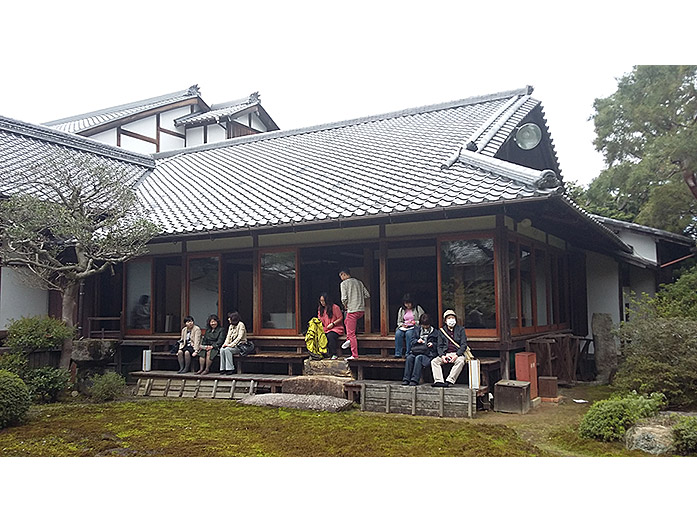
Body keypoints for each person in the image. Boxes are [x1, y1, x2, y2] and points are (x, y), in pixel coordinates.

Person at [339, 268, 370, 360]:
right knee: (346, 322)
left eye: (341, 276)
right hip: (361, 310)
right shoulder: (359, 282)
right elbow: (367, 295)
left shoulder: (344, 284)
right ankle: (348, 339)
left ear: (344, 274)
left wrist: (345, 305)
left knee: (352, 334)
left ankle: (354, 354)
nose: (341, 278)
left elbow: (344, 298)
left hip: (352, 310)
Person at [431, 309, 468, 387]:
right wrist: (442, 356)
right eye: (449, 318)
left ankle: (450, 380)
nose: (451, 320)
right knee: (434, 361)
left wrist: (457, 355)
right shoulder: (441, 331)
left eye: (453, 318)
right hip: (446, 353)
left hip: (457, 353)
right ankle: (439, 381)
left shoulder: (461, 329)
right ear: (445, 320)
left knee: (460, 361)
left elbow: (463, 345)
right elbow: (439, 346)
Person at [402, 313, 438, 385]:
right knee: (409, 358)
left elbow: (439, 344)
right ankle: (406, 379)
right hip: (416, 351)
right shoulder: (416, 330)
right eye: (423, 325)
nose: (425, 327)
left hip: (428, 354)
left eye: (426, 325)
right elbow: (411, 341)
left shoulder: (435, 332)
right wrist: (417, 341)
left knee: (419, 358)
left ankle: (414, 379)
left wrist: (433, 344)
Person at [394, 293, 425, 358]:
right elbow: (399, 321)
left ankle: (408, 353)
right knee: (398, 334)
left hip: (414, 327)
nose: (407, 305)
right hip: (404, 327)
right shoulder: (402, 309)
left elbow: (423, 320)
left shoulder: (417, 308)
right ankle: (398, 353)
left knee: (409, 334)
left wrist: (414, 322)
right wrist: (402, 325)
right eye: (406, 303)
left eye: (409, 303)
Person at [219, 311, 247, 375]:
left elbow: (239, 337)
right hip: (231, 345)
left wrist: (230, 345)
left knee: (227, 350)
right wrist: (225, 344)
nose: (228, 319)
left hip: (240, 346)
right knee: (222, 349)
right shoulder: (231, 326)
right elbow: (228, 337)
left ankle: (230, 368)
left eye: (229, 318)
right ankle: (222, 368)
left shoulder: (241, 325)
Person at [317, 293, 345, 359]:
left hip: (336, 328)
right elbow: (319, 319)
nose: (322, 303)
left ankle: (334, 354)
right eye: (321, 301)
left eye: (323, 301)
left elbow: (340, 318)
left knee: (330, 336)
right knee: (320, 336)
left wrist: (333, 324)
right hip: (325, 328)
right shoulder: (320, 309)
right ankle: (322, 353)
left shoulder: (335, 307)